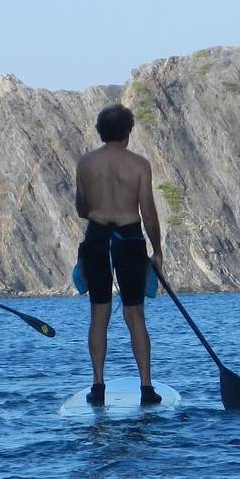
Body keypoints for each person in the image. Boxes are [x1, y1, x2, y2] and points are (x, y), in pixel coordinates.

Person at [74, 102, 163, 405]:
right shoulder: (139, 165)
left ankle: (98, 386)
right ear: (128, 131)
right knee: (134, 313)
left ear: (101, 132)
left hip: (98, 236)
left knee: (99, 313)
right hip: (129, 238)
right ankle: (147, 388)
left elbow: (81, 209)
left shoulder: (86, 164)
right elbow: (148, 213)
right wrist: (157, 250)